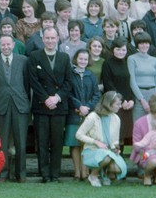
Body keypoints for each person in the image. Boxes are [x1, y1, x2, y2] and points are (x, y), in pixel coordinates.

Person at [27, 27, 72, 183]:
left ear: (58, 38)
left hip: (59, 107)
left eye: (53, 38)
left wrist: (57, 98)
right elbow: (34, 81)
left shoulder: (64, 58)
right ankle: (45, 174)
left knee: (57, 141)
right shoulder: (34, 56)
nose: (50, 41)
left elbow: (68, 82)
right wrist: (46, 98)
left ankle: (55, 174)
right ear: (42, 39)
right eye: (47, 38)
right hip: (41, 106)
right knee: (42, 141)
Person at [0, 35, 30, 182]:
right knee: (2, 142)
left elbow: (27, 83)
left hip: (20, 104)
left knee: (21, 142)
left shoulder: (23, 60)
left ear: (13, 45)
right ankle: (3, 172)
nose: (6, 47)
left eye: (8, 44)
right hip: (1, 105)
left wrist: (25, 100)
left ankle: (21, 174)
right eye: (3, 45)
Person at [76, 91, 128, 187]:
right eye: (117, 104)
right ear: (109, 104)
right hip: (91, 150)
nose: (120, 106)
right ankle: (93, 175)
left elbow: (115, 140)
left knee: (118, 169)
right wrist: (95, 142)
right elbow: (78, 134)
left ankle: (105, 175)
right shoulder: (92, 117)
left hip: (108, 151)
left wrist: (115, 148)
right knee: (107, 157)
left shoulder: (116, 118)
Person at [68, 49, 101, 181]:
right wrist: (78, 106)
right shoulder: (70, 75)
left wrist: (88, 107)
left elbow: (96, 94)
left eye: (85, 59)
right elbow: (68, 93)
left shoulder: (91, 75)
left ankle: (84, 171)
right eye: (80, 58)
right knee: (74, 143)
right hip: (74, 113)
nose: (83, 61)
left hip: (88, 114)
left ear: (88, 61)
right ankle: (77, 171)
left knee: (85, 143)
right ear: (76, 59)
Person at [101, 38, 135, 144]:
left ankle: (120, 160)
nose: (121, 52)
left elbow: (131, 82)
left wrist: (131, 100)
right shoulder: (107, 63)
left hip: (127, 104)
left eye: (123, 50)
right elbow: (108, 84)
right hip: (114, 102)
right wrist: (121, 100)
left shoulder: (127, 62)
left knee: (124, 135)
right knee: (115, 135)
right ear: (113, 50)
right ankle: (112, 159)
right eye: (118, 49)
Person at [128, 32, 156, 122]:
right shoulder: (131, 58)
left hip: (153, 95)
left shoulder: (155, 60)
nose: (144, 46)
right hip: (139, 95)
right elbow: (132, 81)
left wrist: (155, 99)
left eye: (146, 43)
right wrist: (142, 100)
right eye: (141, 43)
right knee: (138, 125)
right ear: (137, 45)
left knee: (154, 125)